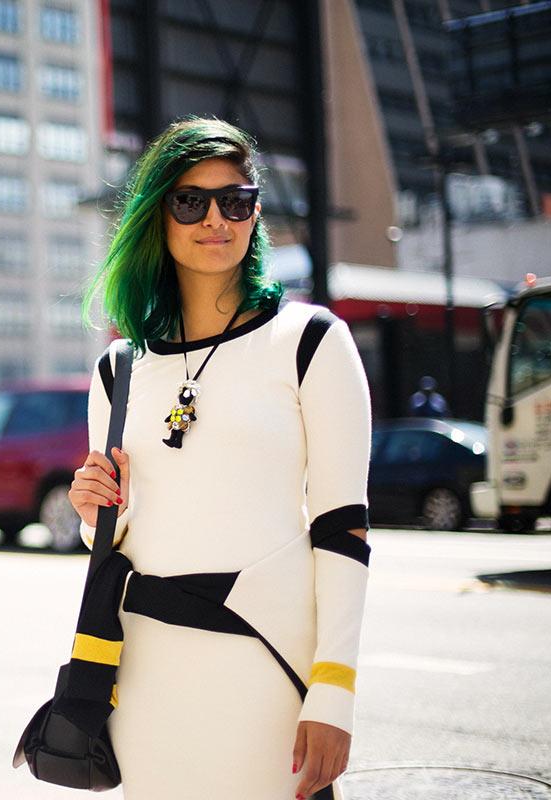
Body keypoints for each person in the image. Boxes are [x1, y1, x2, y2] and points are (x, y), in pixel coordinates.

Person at [68, 118, 371, 800]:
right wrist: (94, 515)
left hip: (266, 660)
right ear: (157, 215)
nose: (215, 219)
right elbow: (116, 536)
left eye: (236, 200)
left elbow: (343, 530)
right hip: (145, 671)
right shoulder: (119, 368)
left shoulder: (311, 341)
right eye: (190, 201)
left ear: (255, 211)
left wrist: (335, 692)